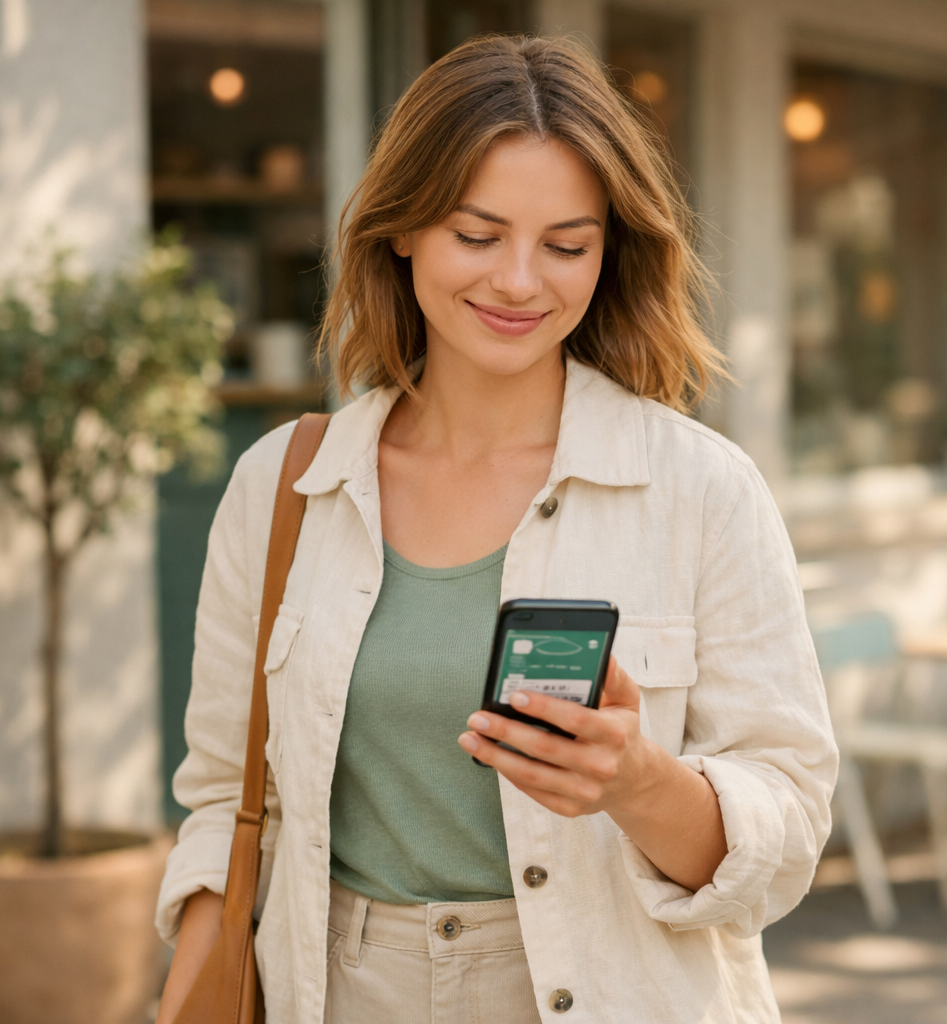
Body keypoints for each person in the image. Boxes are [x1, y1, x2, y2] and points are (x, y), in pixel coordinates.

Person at [154, 34, 837, 1024]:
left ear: (609, 252)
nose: (521, 281)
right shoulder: (284, 488)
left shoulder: (702, 491)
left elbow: (787, 834)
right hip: (343, 991)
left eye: (567, 245)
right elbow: (225, 805)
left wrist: (638, 779)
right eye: (477, 235)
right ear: (402, 230)